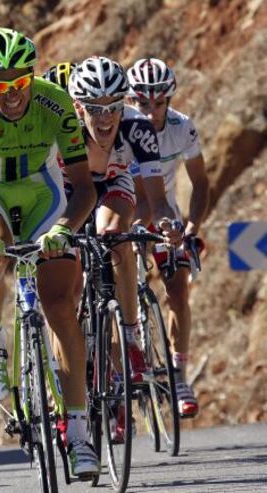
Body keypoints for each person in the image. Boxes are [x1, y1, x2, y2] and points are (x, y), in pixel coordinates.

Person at [0, 27, 100, 478]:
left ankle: (79, 432)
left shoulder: (54, 101)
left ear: (32, 77)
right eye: (1, 88)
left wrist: (66, 229)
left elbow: (84, 187)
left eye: (21, 84)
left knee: (60, 307)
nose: (12, 96)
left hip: (42, 194)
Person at [49, 56, 181, 440]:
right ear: (77, 107)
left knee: (116, 238)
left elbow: (157, 201)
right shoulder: (63, 130)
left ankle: (130, 335)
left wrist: (169, 223)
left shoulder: (137, 128)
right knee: (68, 291)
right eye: (94, 109)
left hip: (112, 187)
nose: (105, 119)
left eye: (112, 107)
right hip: (67, 193)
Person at [126, 57, 210, 418]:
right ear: (131, 100)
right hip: (126, 215)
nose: (151, 111)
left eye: (158, 103)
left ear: (169, 100)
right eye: (143, 103)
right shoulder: (120, 129)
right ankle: (119, 375)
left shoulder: (181, 128)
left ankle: (178, 375)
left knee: (177, 289)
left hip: (165, 218)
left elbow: (201, 182)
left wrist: (192, 226)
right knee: (114, 291)